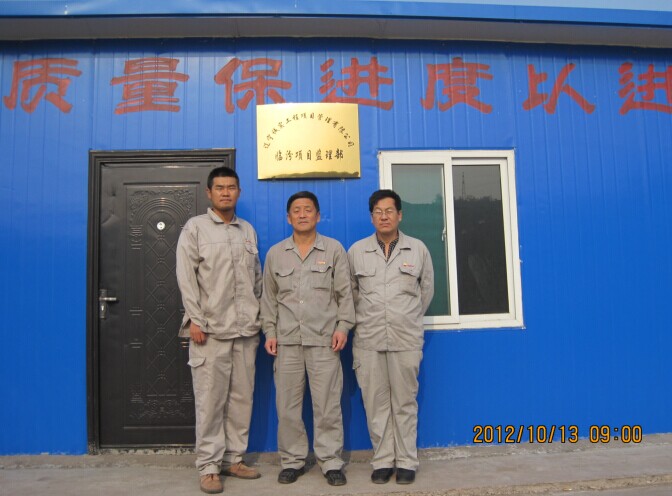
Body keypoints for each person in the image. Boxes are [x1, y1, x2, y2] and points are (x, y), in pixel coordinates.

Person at [176, 167, 262, 494]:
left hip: (245, 330)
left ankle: (234, 458)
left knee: (241, 398)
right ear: (209, 193)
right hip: (210, 331)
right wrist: (195, 319)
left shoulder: (247, 231)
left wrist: (257, 317)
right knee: (210, 401)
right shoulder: (195, 228)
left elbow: (256, 279)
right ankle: (209, 467)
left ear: (239, 192)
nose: (226, 193)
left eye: (231, 187)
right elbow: (186, 277)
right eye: (220, 188)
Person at [260, 191, 355, 487]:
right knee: (287, 407)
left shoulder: (334, 249)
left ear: (318, 215)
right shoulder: (276, 254)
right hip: (287, 342)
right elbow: (268, 299)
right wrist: (270, 332)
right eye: (297, 210)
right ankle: (292, 461)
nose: (302, 214)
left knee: (327, 406)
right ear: (288, 218)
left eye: (308, 209)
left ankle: (331, 462)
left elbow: (345, 294)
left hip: (325, 341)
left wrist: (343, 327)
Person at [347, 189, 434, 485]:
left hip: (405, 340)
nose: (383, 216)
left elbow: (426, 292)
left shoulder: (417, 249)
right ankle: (383, 461)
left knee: (405, 403)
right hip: (368, 340)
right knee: (375, 404)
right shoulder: (357, 251)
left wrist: (405, 317)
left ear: (400, 215)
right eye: (378, 212)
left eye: (389, 211)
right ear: (371, 217)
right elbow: (351, 294)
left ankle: (407, 461)